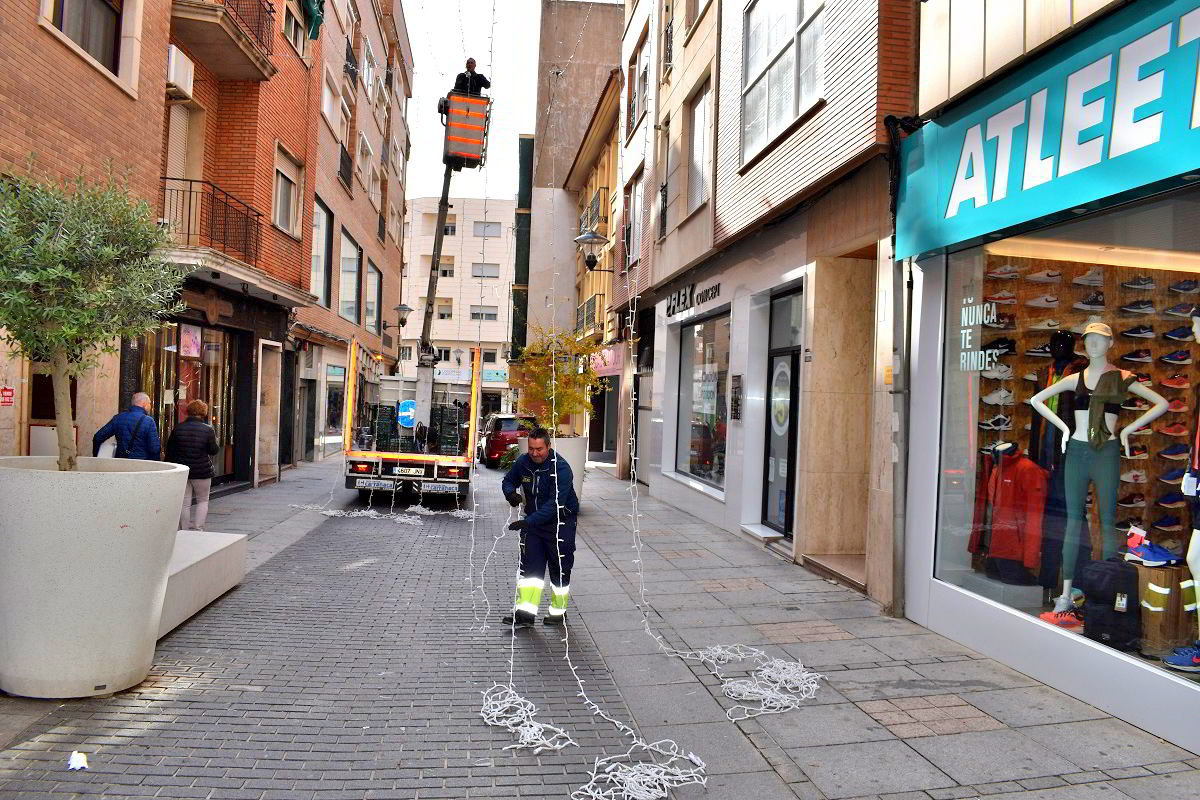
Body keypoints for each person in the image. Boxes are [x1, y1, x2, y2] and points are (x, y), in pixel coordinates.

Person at [501, 427, 579, 627]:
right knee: (530, 570)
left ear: (548, 447)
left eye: (539, 449)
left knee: (559, 567)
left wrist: (528, 521)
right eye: (531, 449)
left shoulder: (561, 469)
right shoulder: (524, 462)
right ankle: (525, 615)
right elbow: (509, 480)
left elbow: (554, 506)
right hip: (534, 523)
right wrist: (510, 493)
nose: (535, 454)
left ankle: (558, 613)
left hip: (560, 523)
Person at [166, 400, 220, 531]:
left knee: (184, 503)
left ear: (188, 412)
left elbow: (170, 450)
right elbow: (213, 450)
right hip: (202, 471)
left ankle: (184, 529)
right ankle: (198, 528)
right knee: (203, 500)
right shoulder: (208, 430)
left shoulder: (178, 428)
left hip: (183, 470)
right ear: (203, 412)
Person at [92, 391, 161, 460]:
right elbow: (154, 449)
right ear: (144, 404)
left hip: (121, 464)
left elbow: (98, 437)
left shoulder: (118, 418)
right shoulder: (149, 421)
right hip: (141, 465)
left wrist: (97, 457)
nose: (150, 406)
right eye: (149, 404)